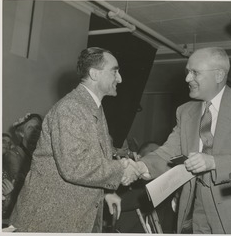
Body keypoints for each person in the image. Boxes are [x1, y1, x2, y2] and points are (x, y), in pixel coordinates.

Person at [131, 47, 231, 234]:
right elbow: (169, 151)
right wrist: (142, 166)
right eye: (188, 72)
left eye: (195, 72)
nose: (188, 78)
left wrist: (213, 162)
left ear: (219, 75)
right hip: (193, 213)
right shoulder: (185, 111)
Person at [9, 47, 139, 233]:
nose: (119, 79)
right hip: (45, 220)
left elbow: (95, 159)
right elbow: (75, 166)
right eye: (115, 71)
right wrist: (121, 169)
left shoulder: (93, 108)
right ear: (94, 74)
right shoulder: (71, 108)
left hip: (67, 219)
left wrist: (107, 193)